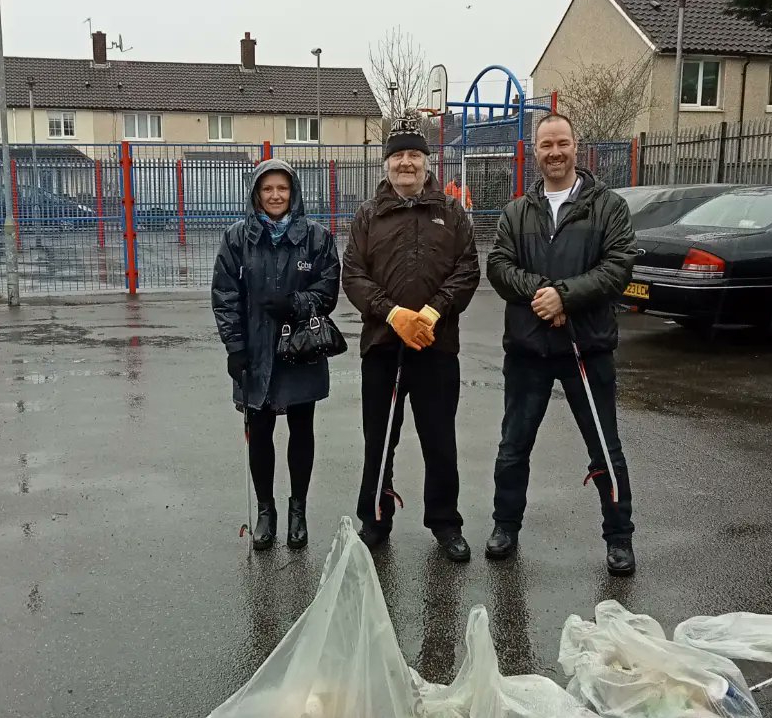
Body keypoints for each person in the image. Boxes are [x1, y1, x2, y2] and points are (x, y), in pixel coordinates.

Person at [485, 113, 639, 575]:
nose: (555, 152)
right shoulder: (516, 211)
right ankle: (505, 527)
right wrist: (541, 292)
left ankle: (619, 538)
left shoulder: (607, 207)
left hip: (586, 348)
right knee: (513, 447)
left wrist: (566, 297)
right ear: (535, 151)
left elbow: (619, 267)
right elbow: (498, 265)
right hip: (528, 350)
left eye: (563, 143)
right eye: (546, 144)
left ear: (577, 147)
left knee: (605, 448)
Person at [342, 114, 480, 563]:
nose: (406, 163)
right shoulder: (368, 214)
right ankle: (375, 519)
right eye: (398, 155)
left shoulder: (451, 211)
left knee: (439, 439)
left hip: (436, 347)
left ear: (426, 161)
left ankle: (445, 523)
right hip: (383, 345)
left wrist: (432, 311)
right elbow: (353, 275)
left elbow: (467, 270)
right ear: (386, 163)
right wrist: (394, 313)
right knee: (379, 437)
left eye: (414, 155)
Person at [211, 159, 340, 552]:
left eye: (282, 188)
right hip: (254, 351)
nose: (275, 196)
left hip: (301, 349)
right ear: (256, 194)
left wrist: (296, 303)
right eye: (267, 189)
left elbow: (329, 289)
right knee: (261, 432)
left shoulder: (316, 237)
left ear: (294, 191)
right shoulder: (237, 238)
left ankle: (297, 510)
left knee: (302, 430)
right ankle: (266, 511)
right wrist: (235, 347)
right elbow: (224, 295)